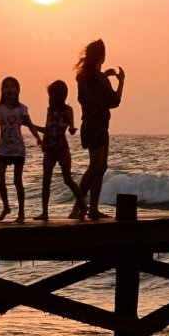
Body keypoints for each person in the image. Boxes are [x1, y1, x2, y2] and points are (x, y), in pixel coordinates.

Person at [72, 39, 124, 220]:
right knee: (96, 167)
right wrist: (121, 81)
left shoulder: (83, 76)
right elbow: (114, 101)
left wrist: (105, 75)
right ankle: (78, 207)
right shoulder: (97, 79)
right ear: (101, 55)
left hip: (90, 125)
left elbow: (93, 91)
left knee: (101, 167)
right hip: (98, 126)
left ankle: (91, 208)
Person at [0, 77, 42, 222]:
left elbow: (30, 125)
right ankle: (6, 207)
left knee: (17, 181)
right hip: (3, 149)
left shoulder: (21, 108)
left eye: (12, 87)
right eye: (6, 87)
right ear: (2, 90)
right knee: (0, 180)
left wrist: (38, 138)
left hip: (18, 148)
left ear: (18, 90)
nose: (9, 89)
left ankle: (21, 213)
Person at [36, 80, 86, 221]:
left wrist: (71, 128)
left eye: (53, 95)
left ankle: (82, 204)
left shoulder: (67, 110)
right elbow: (47, 129)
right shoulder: (49, 110)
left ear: (61, 96)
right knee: (46, 180)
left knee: (68, 179)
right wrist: (31, 126)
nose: (50, 98)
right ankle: (44, 212)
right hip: (49, 149)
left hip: (62, 148)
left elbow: (71, 127)